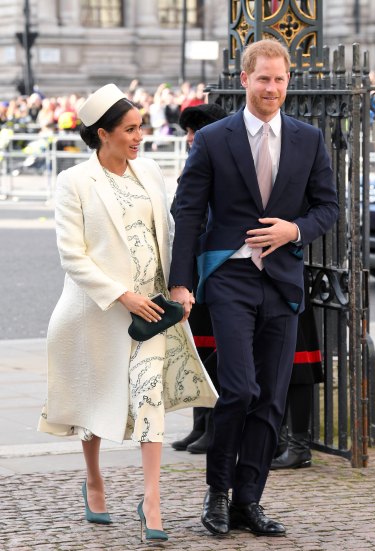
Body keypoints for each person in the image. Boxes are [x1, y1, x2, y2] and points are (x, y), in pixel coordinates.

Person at [169, 39, 339, 537]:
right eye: (262, 78)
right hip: (230, 276)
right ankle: (217, 494)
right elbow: (188, 210)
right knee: (239, 387)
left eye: (279, 79)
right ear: (245, 80)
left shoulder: (309, 139)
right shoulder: (215, 139)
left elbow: (326, 207)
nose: (271, 88)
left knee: (271, 396)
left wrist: (295, 230)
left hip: (282, 279)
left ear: (289, 82)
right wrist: (181, 283)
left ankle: (248, 500)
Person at [37, 83, 217, 542]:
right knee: (93, 404)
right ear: (103, 134)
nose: (140, 137)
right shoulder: (74, 182)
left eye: (141, 127)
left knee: (149, 397)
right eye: (130, 129)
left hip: (151, 313)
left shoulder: (151, 171)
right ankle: (94, 480)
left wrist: (180, 286)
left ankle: (151, 499)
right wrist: (121, 295)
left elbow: (173, 233)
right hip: (95, 313)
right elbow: (73, 257)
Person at [171, 103, 228, 454]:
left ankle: (214, 426)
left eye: (195, 130)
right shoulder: (197, 160)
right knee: (198, 349)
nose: (190, 138)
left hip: (215, 263)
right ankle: (200, 424)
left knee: (217, 353)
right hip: (193, 265)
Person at [271, 269, 324, 470]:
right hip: (264, 279)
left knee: (299, 362)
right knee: (275, 365)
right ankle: (279, 440)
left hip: (289, 279)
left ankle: (299, 448)